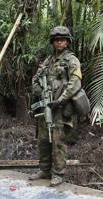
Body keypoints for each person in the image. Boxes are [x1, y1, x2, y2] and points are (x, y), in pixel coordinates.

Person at [30, 26, 82, 186]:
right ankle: (44, 170)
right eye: (57, 40)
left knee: (58, 141)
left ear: (67, 42)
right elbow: (36, 78)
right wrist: (37, 88)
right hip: (46, 106)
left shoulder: (71, 60)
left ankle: (58, 173)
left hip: (60, 107)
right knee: (43, 139)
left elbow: (76, 82)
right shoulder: (48, 61)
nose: (59, 42)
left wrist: (61, 99)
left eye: (62, 39)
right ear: (53, 42)